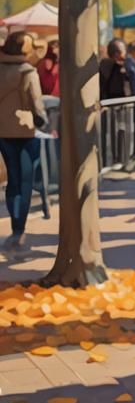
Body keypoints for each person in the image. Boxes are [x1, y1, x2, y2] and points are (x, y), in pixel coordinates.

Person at [0, 32, 46, 249]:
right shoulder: (28, 72)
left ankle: (14, 223)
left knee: (12, 179)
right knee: (25, 182)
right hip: (25, 130)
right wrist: (42, 120)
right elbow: (36, 103)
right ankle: (20, 228)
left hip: (3, 130)